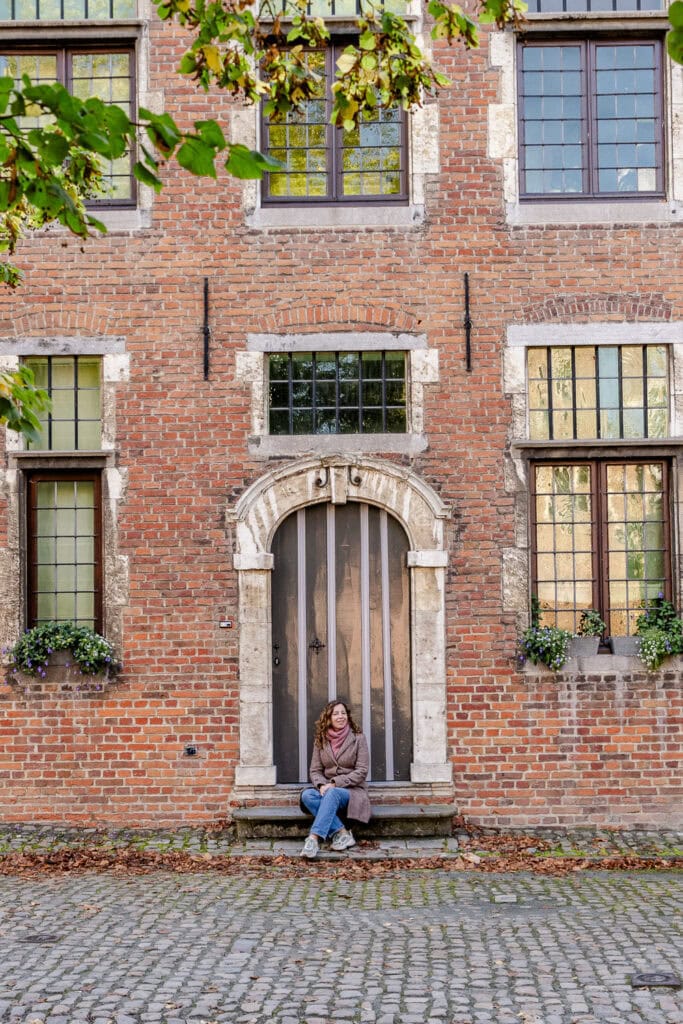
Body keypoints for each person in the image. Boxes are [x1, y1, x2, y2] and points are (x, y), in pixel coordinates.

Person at [299, 700, 371, 859]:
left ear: (348, 716)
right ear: (329, 718)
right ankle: (342, 832)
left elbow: (362, 771)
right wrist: (321, 785)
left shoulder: (358, 738)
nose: (340, 717)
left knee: (332, 793)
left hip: (352, 791)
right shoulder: (321, 740)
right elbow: (315, 770)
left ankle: (313, 838)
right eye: (336, 714)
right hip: (328, 788)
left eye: (343, 713)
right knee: (307, 796)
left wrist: (334, 784)